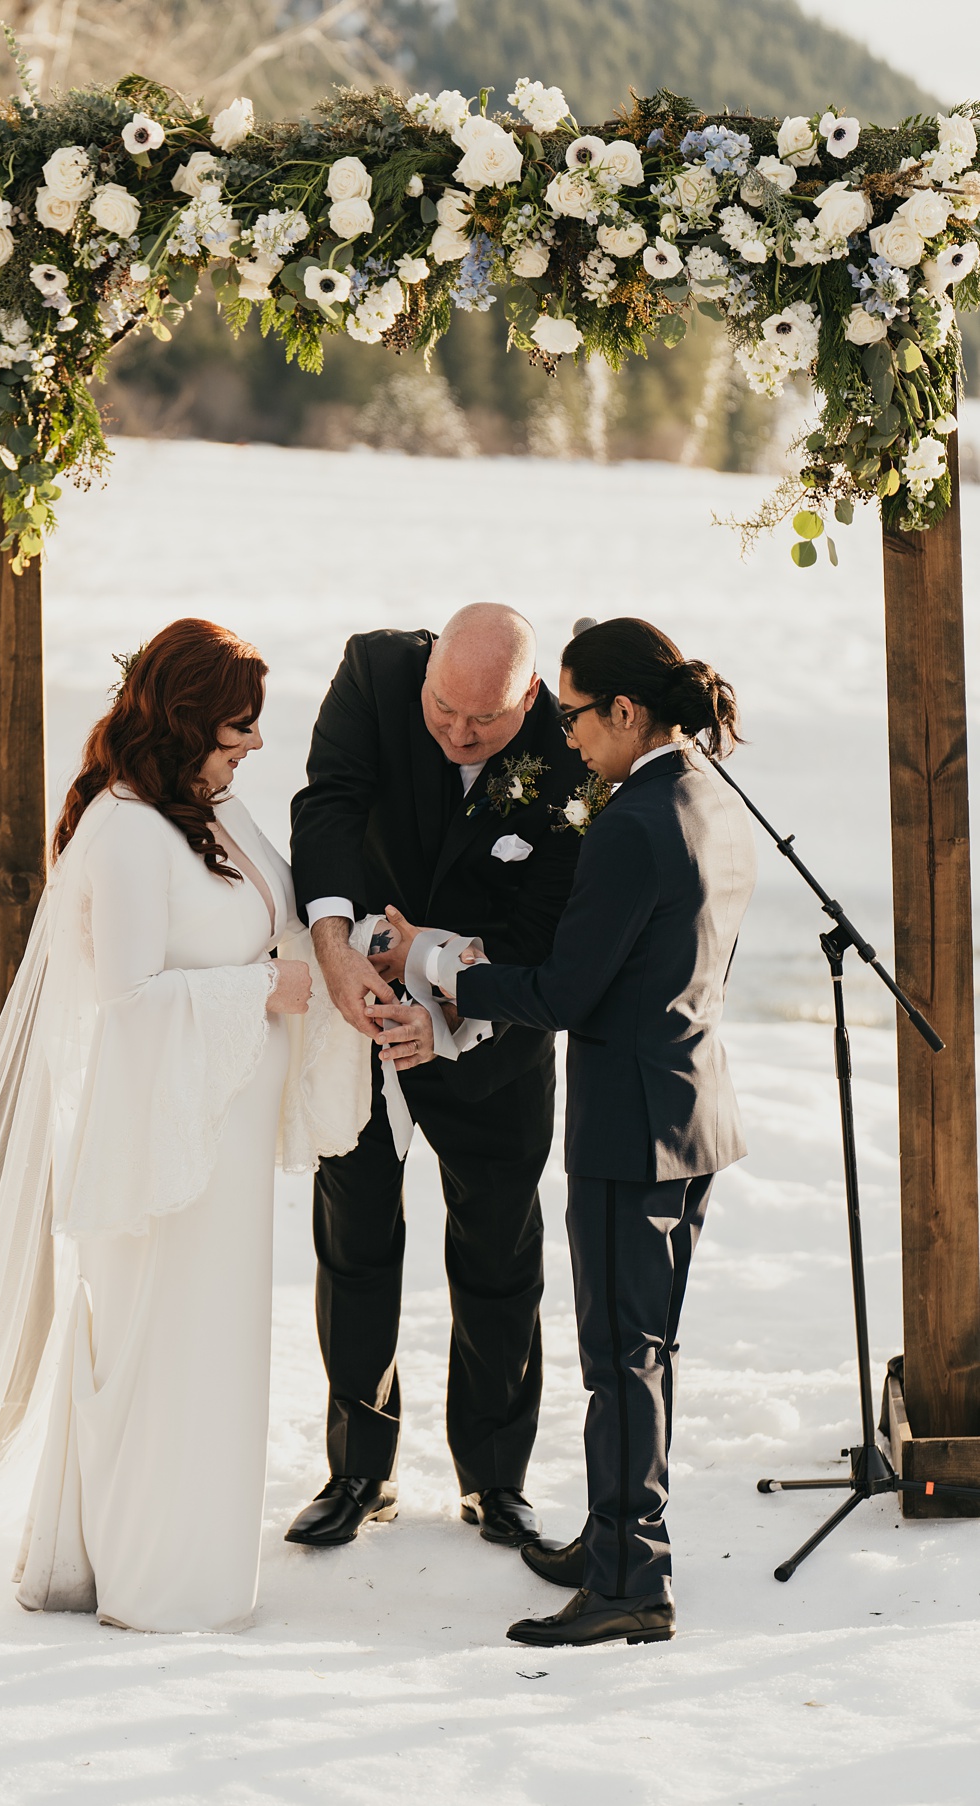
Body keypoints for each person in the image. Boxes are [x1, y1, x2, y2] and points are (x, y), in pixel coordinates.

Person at [433, 616, 756, 1648]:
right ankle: (618, 1532)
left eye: (572, 713)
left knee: (619, 1357)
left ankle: (629, 1580)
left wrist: (443, 970)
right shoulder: (711, 794)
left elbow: (569, 991)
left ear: (625, 712)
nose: (563, 733)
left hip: (627, 1123)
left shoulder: (629, 822)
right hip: (692, 1106)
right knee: (643, 1350)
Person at [11, 619, 312, 1632]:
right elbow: (131, 998)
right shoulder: (130, 830)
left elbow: (277, 911)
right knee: (169, 1349)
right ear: (185, 721)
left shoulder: (206, 807)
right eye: (239, 728)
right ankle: (159, 1584)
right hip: (164, 1148)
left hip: (218, 1136)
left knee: (216, 1344)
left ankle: (192, 1560)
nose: (256, 746)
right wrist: (263, 990)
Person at [285, 604, 589, 1550]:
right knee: (356, 1238)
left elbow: (552, 924)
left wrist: (451, 1008)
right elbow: (327, 801)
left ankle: (495, 1481)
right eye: (443, 710)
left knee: (499, 1253)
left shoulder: (572, 748)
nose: (458, 734)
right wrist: (333, 949)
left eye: (484, 722)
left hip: (496, 1039)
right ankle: (358, 1473)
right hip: (357, 1016)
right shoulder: (375, 674)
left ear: (529, 696)